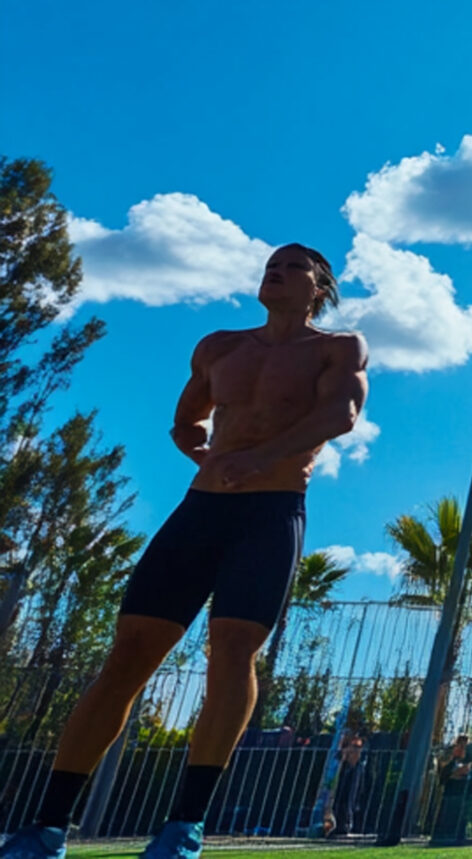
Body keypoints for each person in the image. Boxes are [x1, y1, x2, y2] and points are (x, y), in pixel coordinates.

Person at [0, 246, 367, 859]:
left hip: (270, 513)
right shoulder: (221, 346)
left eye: (293, 266)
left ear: (318, 287)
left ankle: (183, 827)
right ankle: (47, 826)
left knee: (231, 652)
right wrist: (203, 454)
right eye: (270, 263)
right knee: (128, 654)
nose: (275, 270)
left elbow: (342, 412)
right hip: (200, 512)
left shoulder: (337, 347)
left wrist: (261, 457)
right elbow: (185, 421)